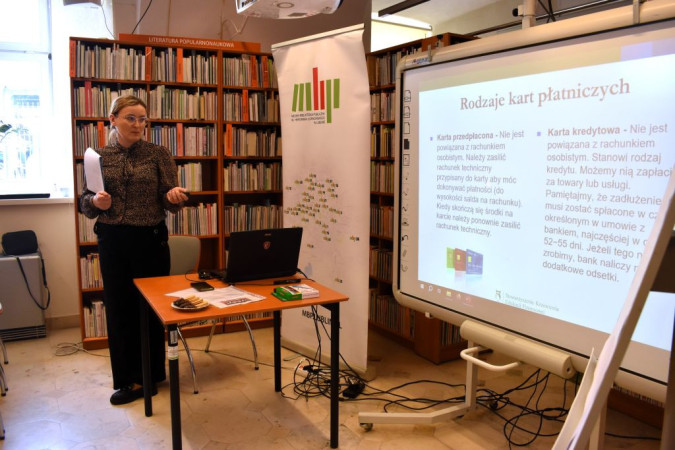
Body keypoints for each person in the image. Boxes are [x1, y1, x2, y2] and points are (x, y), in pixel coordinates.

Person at [80, 94, 189, 405]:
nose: (138, 124)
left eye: (142, 119)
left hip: (150, 241)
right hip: (113, 241)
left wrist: (174, 197)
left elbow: (168, 198)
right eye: (131, 118)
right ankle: (127, 379)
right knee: (119, 310)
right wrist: (96, 202)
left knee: (150, 309)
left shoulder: (158, 154)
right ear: (113, 119)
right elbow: (85, 203)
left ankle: (150, 376)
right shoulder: (97, 157)